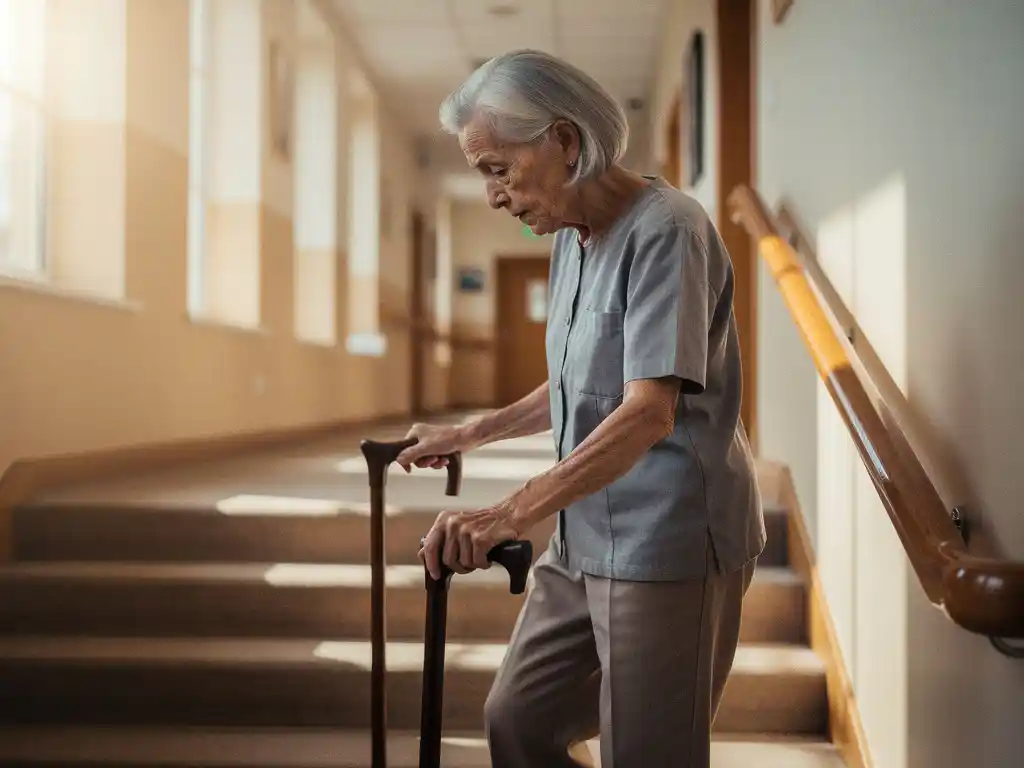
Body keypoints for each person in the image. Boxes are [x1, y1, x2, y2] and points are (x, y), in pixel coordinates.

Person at [396, 49, 766, 768]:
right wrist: (472, 431)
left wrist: (508, 513)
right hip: (583, 530)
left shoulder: (669, 230)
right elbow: (575, 382)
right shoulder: (570, 239)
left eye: (499, 169)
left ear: (565, 141)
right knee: (518, 722)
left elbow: (648, 410)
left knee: (647, 752)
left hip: (670, 537)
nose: (495, 196)